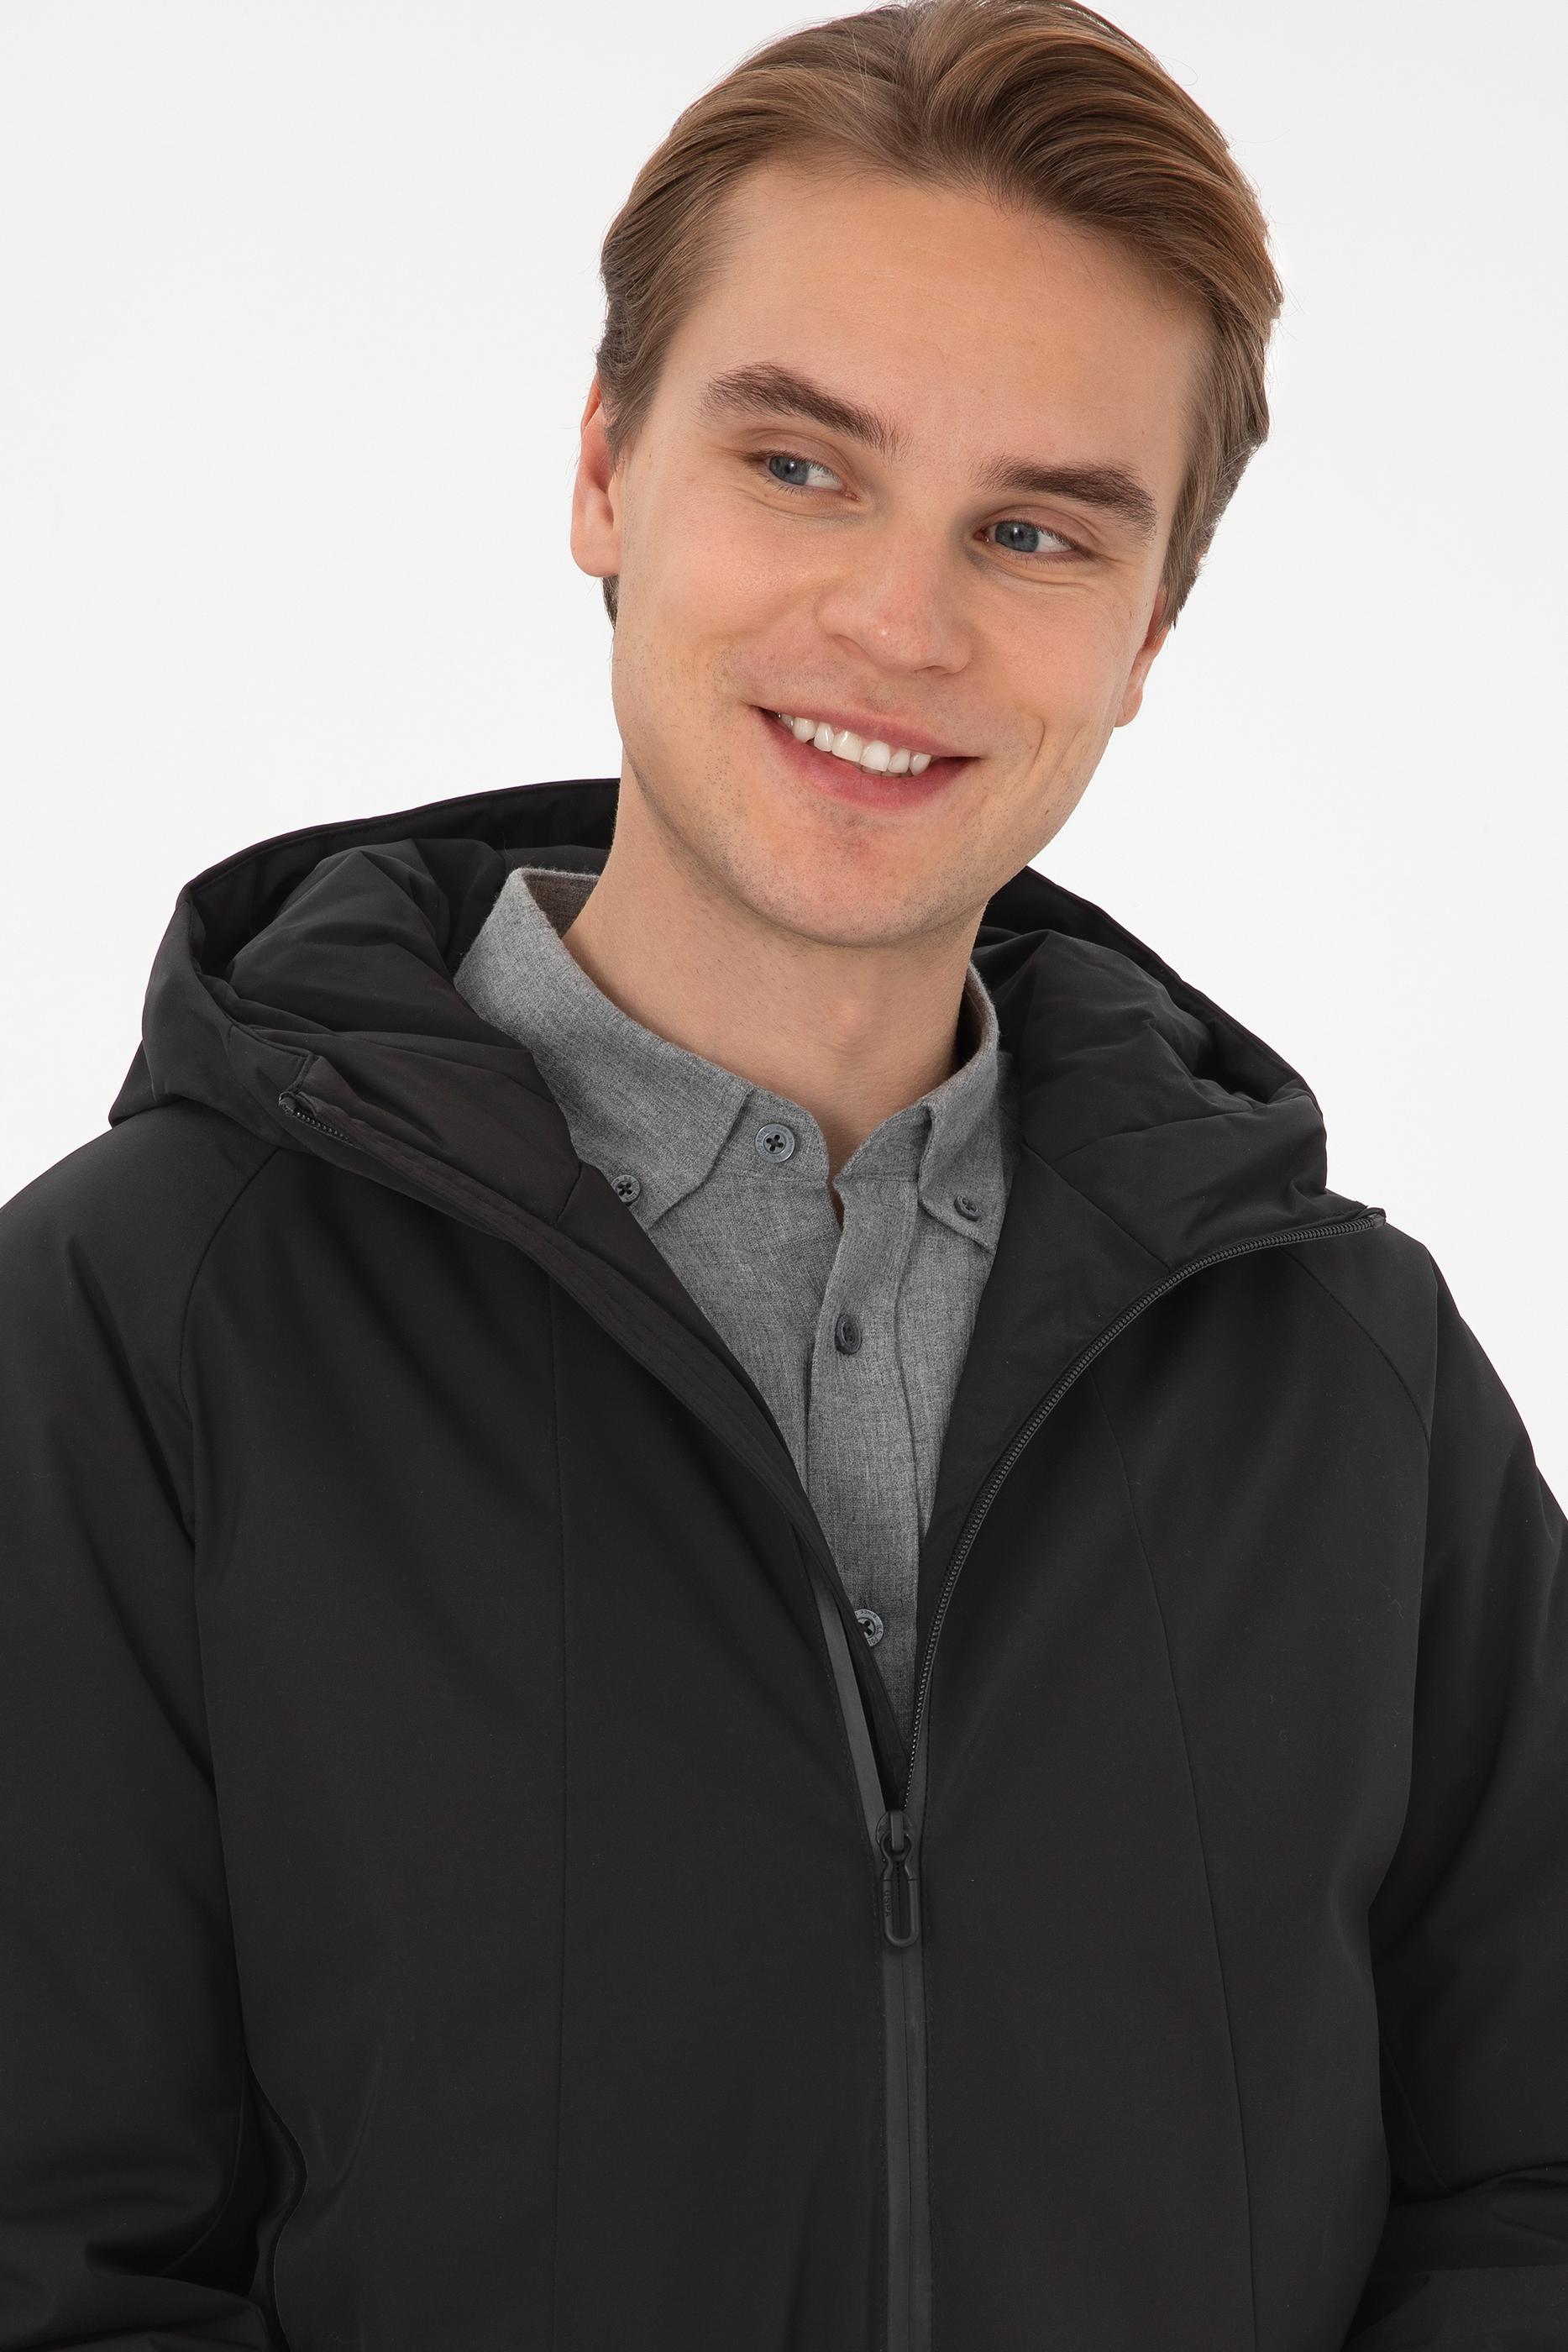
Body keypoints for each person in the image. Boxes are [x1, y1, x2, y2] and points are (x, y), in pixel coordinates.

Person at [2, 0, 1564, 2344]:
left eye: (1032, 530)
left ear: (1147, 633)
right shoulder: (136, 1322)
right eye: (804, 465)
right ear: (605, 471)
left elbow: (1535, 2183)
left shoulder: (1352, 1376)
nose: (900, 625)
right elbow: (50, 2255)